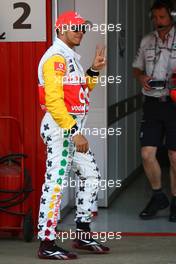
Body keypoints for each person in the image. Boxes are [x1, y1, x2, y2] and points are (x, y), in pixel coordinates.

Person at [37, 10, 109, 260]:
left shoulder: (70, 58)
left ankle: (82, 233)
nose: (80, 31)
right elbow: (54, 101)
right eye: (74, 27)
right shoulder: (56, 58)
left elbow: (79, 91)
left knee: (91, 176)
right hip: (61, 130)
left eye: (82, 28)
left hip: (70, 129)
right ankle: (47, 243)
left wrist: (93, 71)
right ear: (59, 30)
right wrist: (74, 132)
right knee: (55, 185)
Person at [132, 0, 176, 222]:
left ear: (171, 17)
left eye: (163, 17)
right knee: (147, 154)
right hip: (151, 103)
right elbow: (136, 67)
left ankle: (175, 200)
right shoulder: (147, 41)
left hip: (174, 103)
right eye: (155, 18)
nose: (158, 22)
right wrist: (141, 77)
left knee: (174, 155)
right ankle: (158, 196)